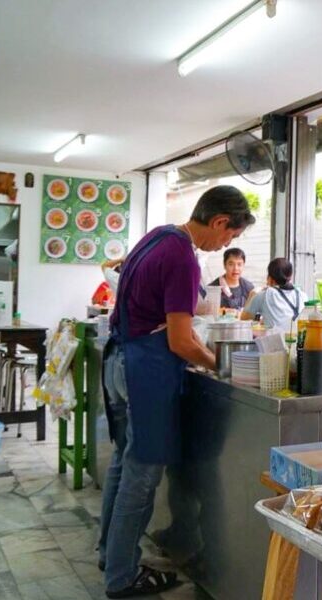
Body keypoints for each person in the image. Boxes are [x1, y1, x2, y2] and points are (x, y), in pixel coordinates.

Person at [99, 185, 255, 598]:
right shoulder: (184, 258)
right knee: (142, 473)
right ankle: (122, 575)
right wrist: (225, 366)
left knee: (122, 462)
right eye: (231, 236)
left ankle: (110, 553)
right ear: (220, 222)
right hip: (145, 370)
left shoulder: (158, 235)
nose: (228, 244)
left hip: (119, 360)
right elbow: (181, 342)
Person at [241, 258, 307, 332]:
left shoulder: (264, 295)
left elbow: (244, 320)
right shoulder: (302, 295)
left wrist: (252, 294)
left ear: (270, 278)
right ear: (290, 276)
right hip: (300, 341)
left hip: (274, 342)